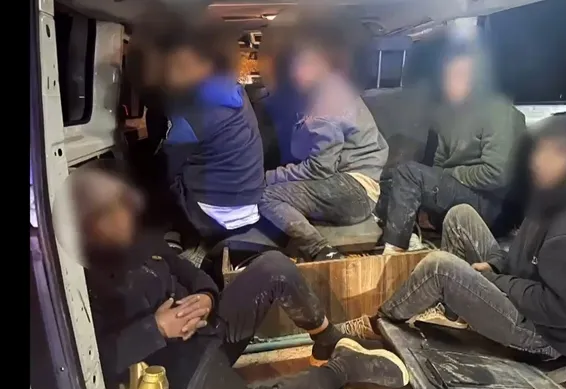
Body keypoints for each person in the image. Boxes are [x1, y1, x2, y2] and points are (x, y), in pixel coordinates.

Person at [69, 167, 411, 389]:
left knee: (274, 267)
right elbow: (91, 360)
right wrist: (156, 328)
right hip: (177, 369)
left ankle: (329, 340)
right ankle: (343, 367)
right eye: (109, 212)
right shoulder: (75, 285)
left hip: (208, 328)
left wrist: (206, 296)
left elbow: (185, 269)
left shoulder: (139, 243)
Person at [339, 113, 566, 361]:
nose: (537, 159)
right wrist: (496, 266)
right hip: (522, 290)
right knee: (460, 215)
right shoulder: (556, 195)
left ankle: (378, 325)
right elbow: (530, 262)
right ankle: (451, 312)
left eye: (553, 151)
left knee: (440, 268)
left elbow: (560, 312)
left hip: (546, 336)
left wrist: (495, 280)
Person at [130, 10, 265, 246]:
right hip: (249, 203)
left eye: (179, 66)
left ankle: (173, 239)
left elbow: (170, 166)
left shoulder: (194, 116)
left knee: (151, 176)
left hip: (215, 217)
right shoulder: (233, 90)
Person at [259, 24, 389, 262]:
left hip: (354, 191)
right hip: (351, 183)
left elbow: (320, 167)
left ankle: (322, 252)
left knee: (266, 196)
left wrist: (269, 177)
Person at [382, 43, 526, 253]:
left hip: (494, 207)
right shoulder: (450, 116)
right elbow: (438, 165)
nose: (450, 82)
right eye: (448, 76)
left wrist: (451, 175)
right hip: (461, 191)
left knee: (409, 173)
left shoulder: (499, 112)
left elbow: (498, 174)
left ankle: (395, 251)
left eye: (460, 76)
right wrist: (436, 186)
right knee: (393, 178)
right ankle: (403, 236)